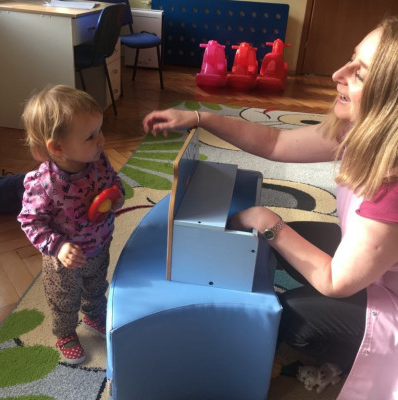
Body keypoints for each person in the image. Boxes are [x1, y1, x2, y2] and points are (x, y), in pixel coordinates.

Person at [142, 17, 398, 400]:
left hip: (387, 297)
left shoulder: (392, 186)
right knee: (285, 249)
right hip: (379, 268)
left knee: (295, 318)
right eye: (350, 59)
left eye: (358, 74)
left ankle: (344, 354)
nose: (337, 75)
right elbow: (277, 143)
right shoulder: (361, 131)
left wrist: (267, 221)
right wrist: (201, 118)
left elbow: (336, 281)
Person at [18, 85, 125, 364]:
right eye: (91, 136)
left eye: (100, 130)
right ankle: (65, 332)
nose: (101, 139)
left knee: (96, 285)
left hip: (99, 243)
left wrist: (117, 195)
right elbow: (30, 221)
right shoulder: (43, 184)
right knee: (64, 298)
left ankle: (93, 315)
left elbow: (112, 181)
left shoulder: (98, 160)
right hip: (64, 261)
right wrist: (59, 247)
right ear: (57, 147)